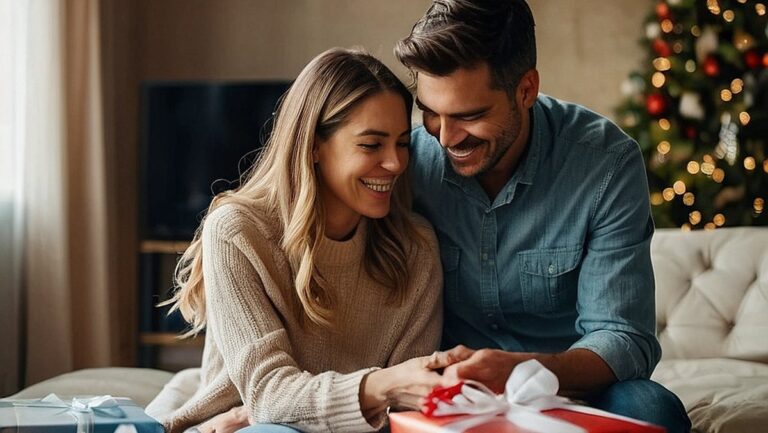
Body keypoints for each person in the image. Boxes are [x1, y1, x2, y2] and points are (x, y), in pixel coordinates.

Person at [393, 1, 692, 432]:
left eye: (470, 115)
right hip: (447, 390)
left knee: (652, 410)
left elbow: (624, 338)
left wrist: (520, 369)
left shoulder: (605, 164)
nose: (445, 136)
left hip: (572, 385)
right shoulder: (408, 162)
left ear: (527, 89)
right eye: (430, 112)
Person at [145, 48, 454, 433]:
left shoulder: (416, 248)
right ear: (313, 146)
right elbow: (269, 396)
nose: (394, 163)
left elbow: (404, 414)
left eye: (403, 143)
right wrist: (382, 386)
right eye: (371, 145)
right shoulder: (237, 232)